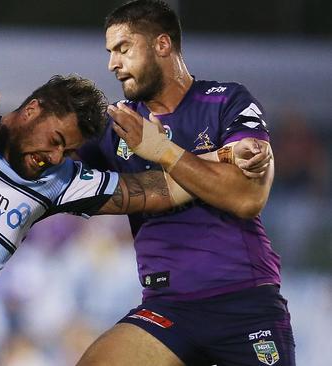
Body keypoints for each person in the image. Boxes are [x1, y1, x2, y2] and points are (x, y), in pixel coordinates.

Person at [0, 74, 267, 366]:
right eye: (57, 140)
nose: (55, 157)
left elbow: (158, 189)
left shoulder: (62, 181)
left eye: (70, 150)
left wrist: (229, 154)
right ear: (32, 110)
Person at [75, 1, 293, 366]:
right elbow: (59, 171)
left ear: (162, 45)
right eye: (110, 52)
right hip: (167, 309)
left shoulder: (227, 101)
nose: (113, 63)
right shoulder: (116, 124)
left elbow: (246, 198)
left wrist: (162, 150)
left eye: (124, 48)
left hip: (243, 302)